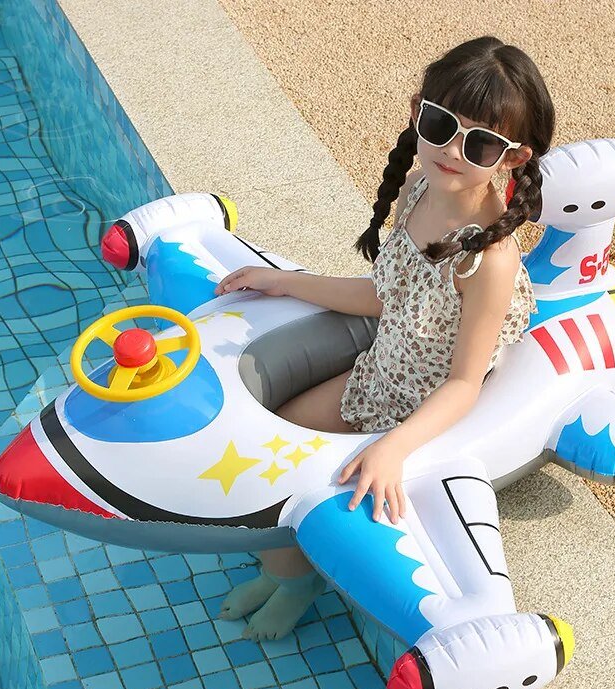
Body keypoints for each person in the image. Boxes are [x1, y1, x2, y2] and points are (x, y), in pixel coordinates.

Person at [212, 36, 553, 641]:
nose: (451, 150)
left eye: (478, 143)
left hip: (422, 401)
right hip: (385, 365)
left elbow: (465, 382)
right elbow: (384, 295)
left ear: (513, 157)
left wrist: (395, 447)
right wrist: (284, 280)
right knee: (280, 438)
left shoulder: (488, 261)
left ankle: (293, 581)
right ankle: (286, 571)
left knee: (302, 481)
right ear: (418, 110)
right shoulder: (424, 191)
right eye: (440, 125)